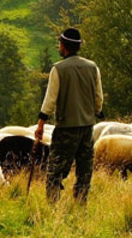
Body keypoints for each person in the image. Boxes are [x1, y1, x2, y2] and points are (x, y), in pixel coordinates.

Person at [34, 27, 103, 203]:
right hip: (87, 127)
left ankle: (53, 206)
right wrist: (95, 112)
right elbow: (98, 98)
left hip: (66, 128)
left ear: (64, 46)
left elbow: (50, 100)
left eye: (59, 43)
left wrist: (41, 123)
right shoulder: (92, 67)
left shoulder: (58, 69)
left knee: (55, 170)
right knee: (84, 170)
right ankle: (80, 204)